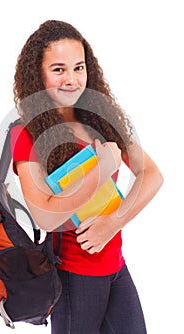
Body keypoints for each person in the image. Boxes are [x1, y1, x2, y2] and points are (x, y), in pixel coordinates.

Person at [10, 20, 163, 334]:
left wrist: (114, 222)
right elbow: (45, 217)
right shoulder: (26, 134)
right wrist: (99, 172)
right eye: (58, 69)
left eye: (79, 68)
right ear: (37, 74)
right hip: (74, 276)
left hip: (116, 266)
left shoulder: (100, 118)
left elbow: (152, 175)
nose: (72, 79)